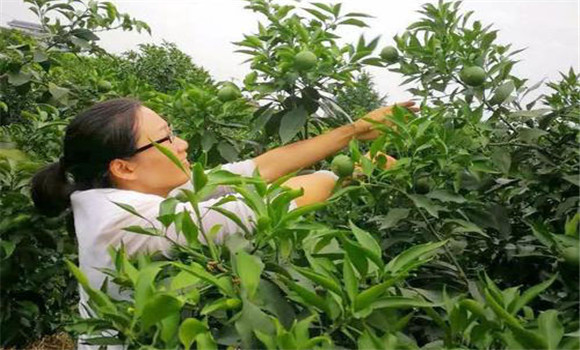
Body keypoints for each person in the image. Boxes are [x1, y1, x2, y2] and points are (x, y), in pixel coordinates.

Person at [30, 97, 417, 348]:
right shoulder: (128, 225)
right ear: (123, 167)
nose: (180, 144)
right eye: (165, 139)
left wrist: (354, 132)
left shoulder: (136, 195)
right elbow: (267, 203)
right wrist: (352, 173)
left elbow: (257, 169)